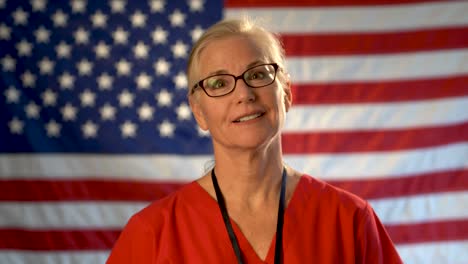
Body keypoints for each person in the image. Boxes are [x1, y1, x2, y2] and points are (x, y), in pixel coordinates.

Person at [106, 17, 403, 264]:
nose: (244, 94)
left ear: (286, 93)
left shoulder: (349, 221)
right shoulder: (152, 234)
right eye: (219, 83)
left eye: (258, 74)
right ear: (199, 111)